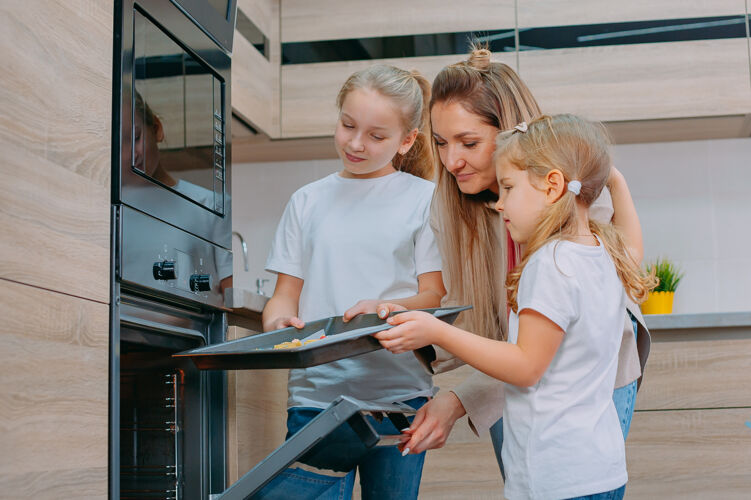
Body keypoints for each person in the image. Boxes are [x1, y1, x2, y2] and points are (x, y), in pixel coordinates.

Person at [373, 48, 650, 473]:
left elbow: (535, 356)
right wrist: (389, 316)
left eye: (469, 143)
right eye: (441, 143)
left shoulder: (567, 215)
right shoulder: (452, 206)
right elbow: (482, 327)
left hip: (575, 377)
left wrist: (457, 398)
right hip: (510, 374)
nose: (451, 161)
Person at [260, 64, 446, 500]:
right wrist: (278, 323)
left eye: (377, 136)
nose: (356, 143)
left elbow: (432, 296)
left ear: (407, 140)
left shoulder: (425, 200)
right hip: (316, 398)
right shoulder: (306, 201)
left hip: (400, 400)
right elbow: (284, 295)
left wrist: (385, 308)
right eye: (347, 126)